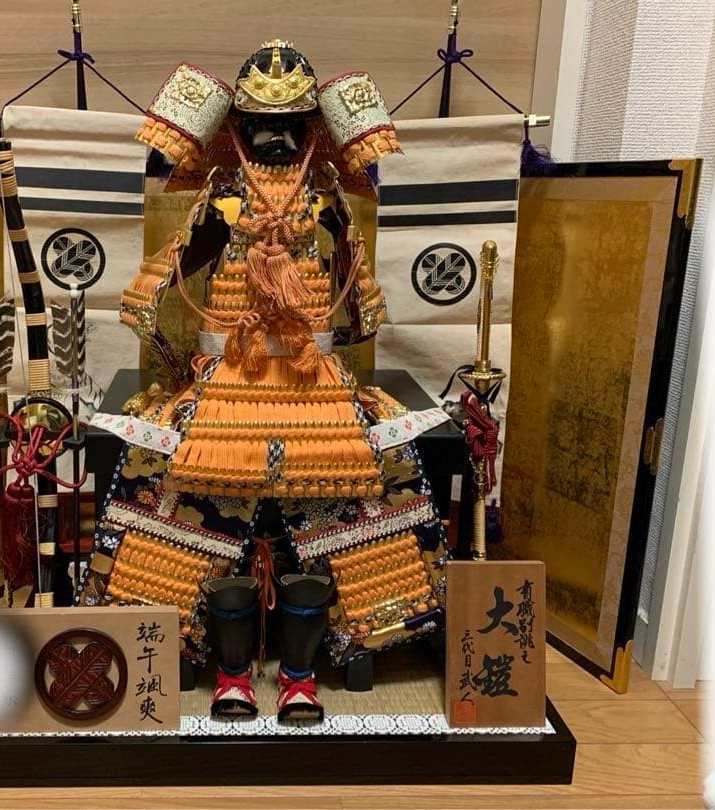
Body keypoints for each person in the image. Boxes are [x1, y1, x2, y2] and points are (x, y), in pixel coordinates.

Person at [80, 41, 449, 722]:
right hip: (229, 377)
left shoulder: (328, 199)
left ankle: (327, 655)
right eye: (258, 127)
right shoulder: (222, 199)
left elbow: (358, 296)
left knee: (363, 491)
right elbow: (170, 273)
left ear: (314, 128)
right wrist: (155, 328)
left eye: (290, 126)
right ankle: (196, 648)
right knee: (171, 496)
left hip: (313, 382)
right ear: (235, 128)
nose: (274, 140)